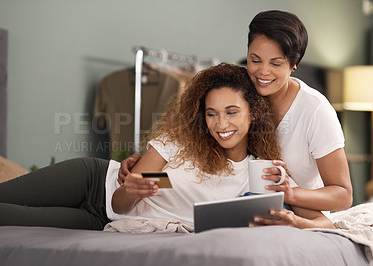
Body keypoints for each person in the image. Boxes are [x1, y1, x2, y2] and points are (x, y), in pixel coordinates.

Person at [0, 64, 333, 230]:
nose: (220, 125)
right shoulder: (181, 141)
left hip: (102, 221)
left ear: (253, 113)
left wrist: (295, 213)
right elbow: (121, 197)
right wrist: (133, 189)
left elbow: (326, 222)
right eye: (211, 114)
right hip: (93, 181)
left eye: (231, 112)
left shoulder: (260, 172)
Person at [119, 10, 352, 214]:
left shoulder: (315, 111)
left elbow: (343, 195)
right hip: (242, 200)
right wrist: (147, 167)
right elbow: (189, 147)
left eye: (276, 63)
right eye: (255, 59)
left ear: (294, 64)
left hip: (298, 209)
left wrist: (291, 194)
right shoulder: (243, 89)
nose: (263, 72)